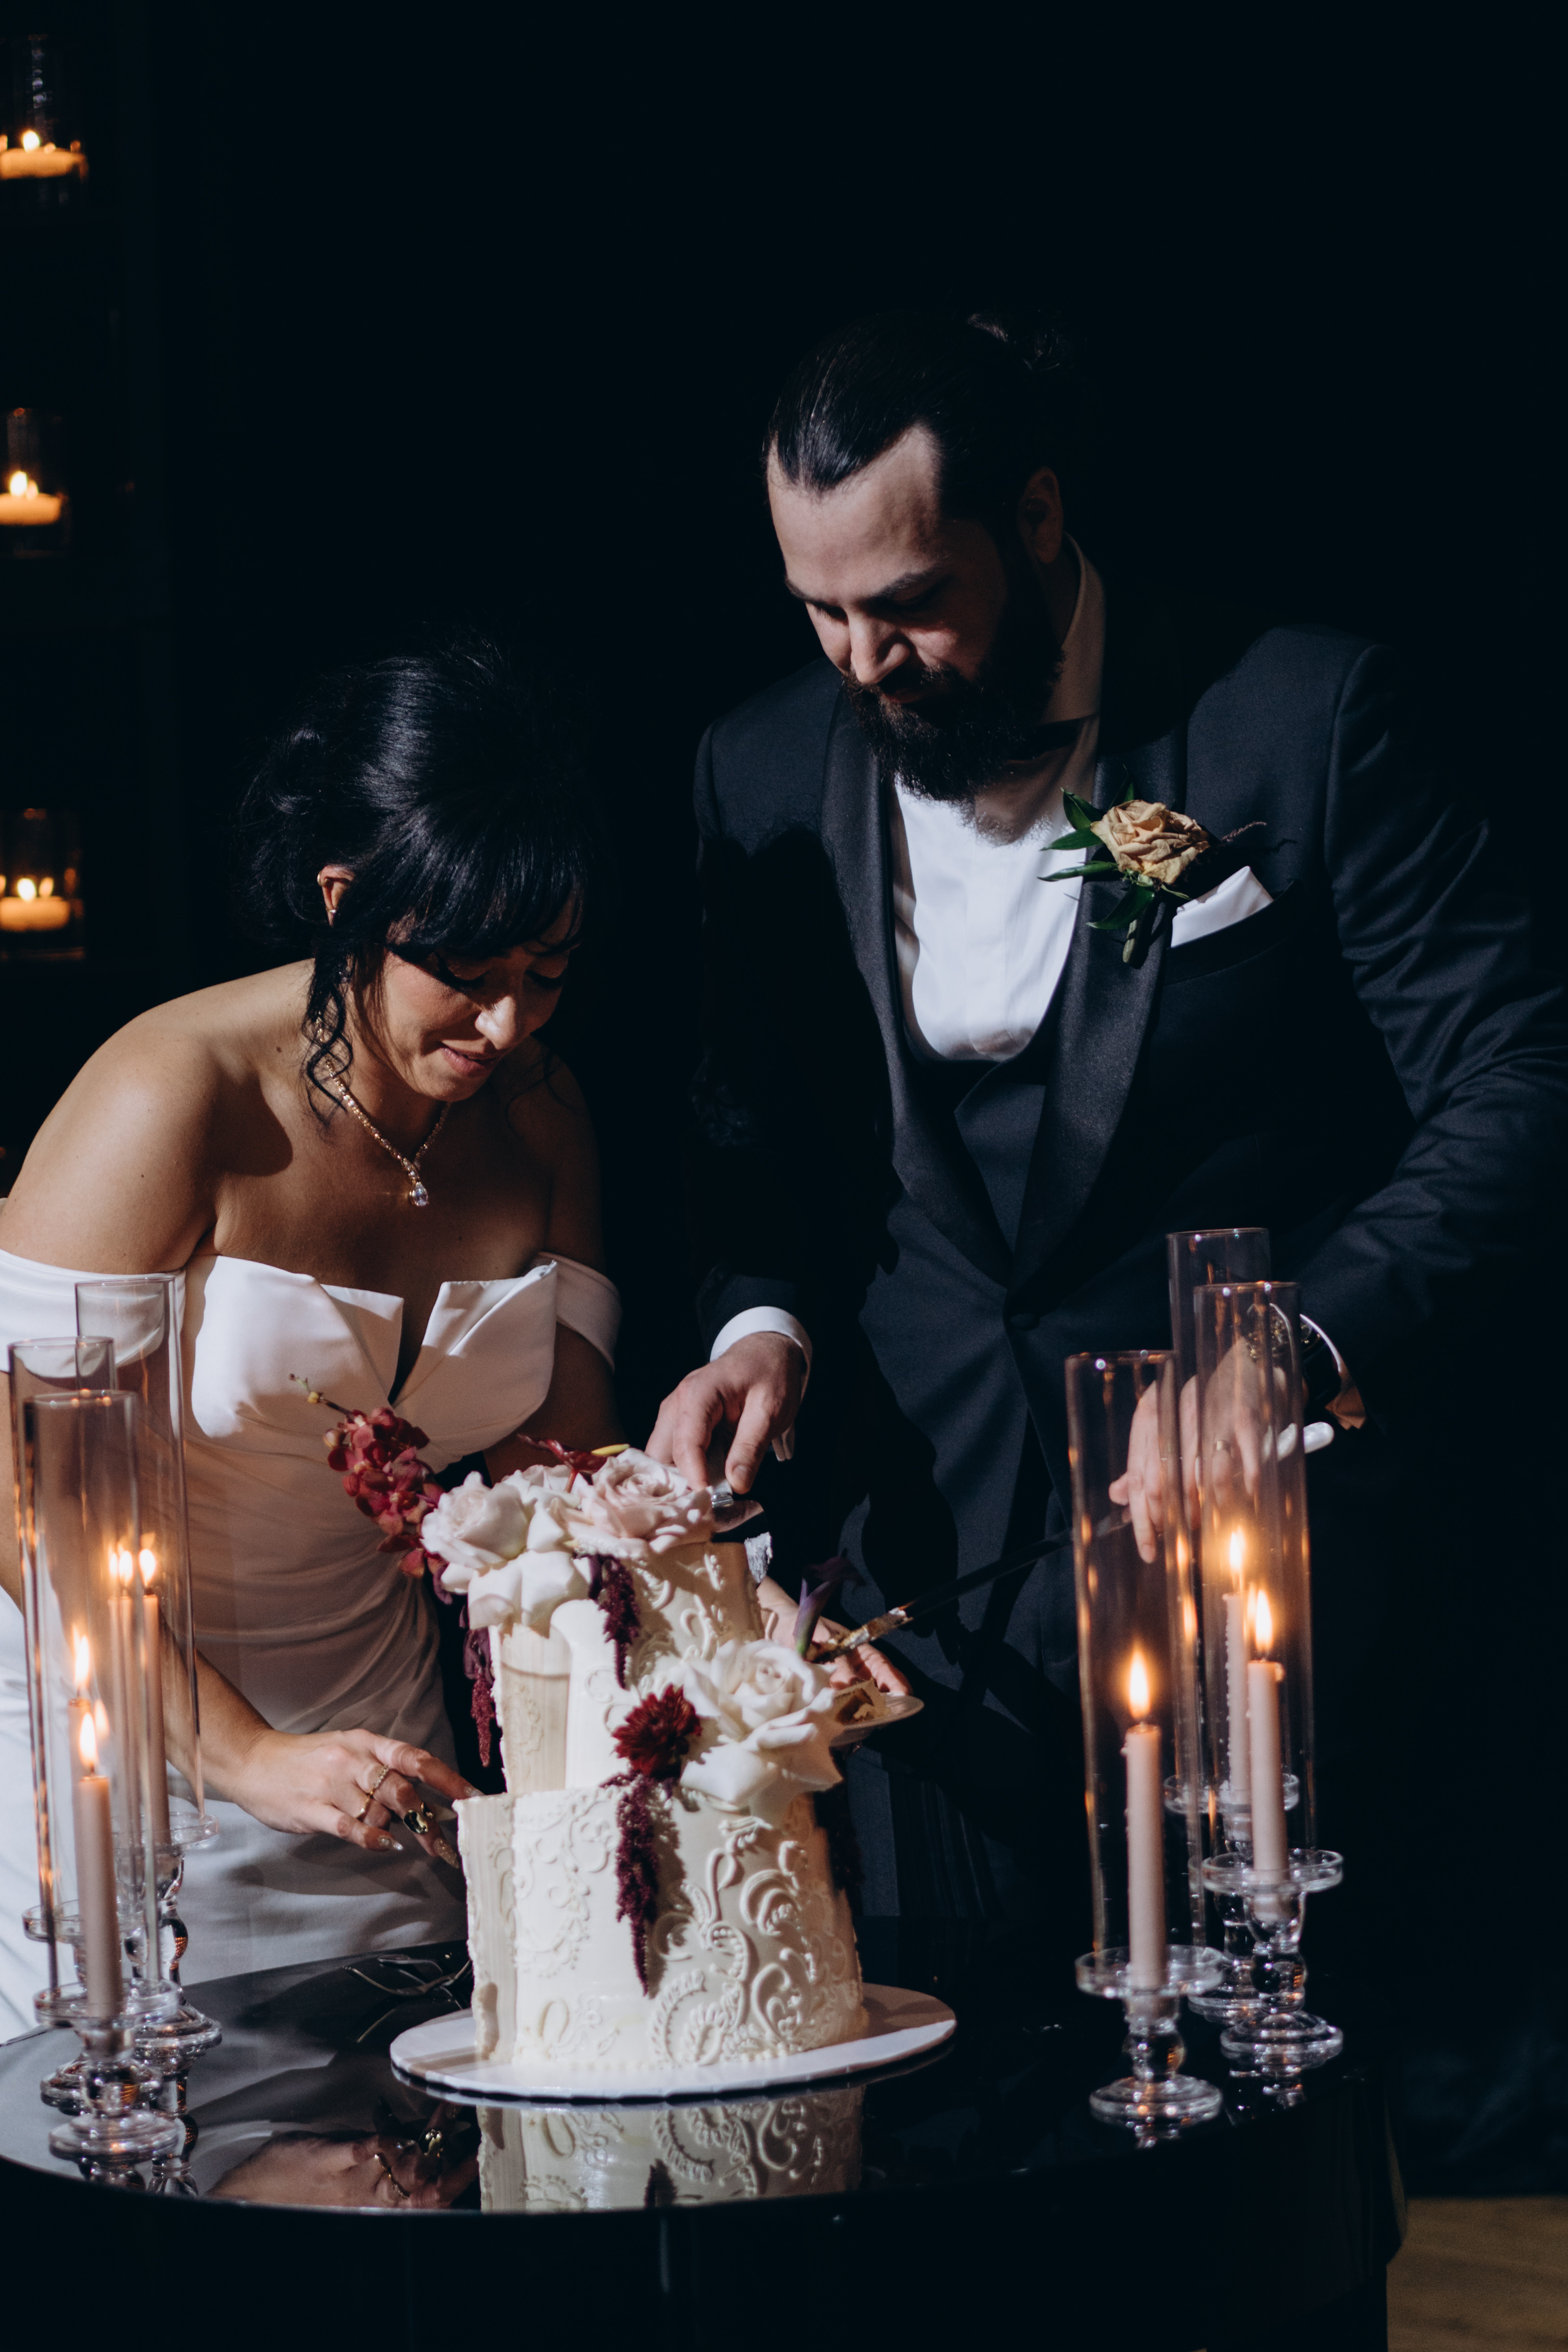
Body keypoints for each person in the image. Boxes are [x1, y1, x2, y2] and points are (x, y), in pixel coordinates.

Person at [650, 310, 1568, 1928]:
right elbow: (752, 1140)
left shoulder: (1300, 716)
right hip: (925, 1619)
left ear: (1038, 516)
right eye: (820, 612)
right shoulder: (757, 769)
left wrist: (1292, 1342)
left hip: (1256, 1590)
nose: (862, 661)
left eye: (909, 603)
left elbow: (1521, 1077)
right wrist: (759, 1325)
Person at [0, 641, 624, 2034]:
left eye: (547, 972)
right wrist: (245, 1757)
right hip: (129, 1755)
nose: (507, 1022)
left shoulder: (539, 1115)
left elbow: (568, 1473)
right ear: (348, 901)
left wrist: (735, 1642)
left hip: (389, 1778)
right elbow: (30, 1498)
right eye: (468, 970)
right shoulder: (172, 1097)